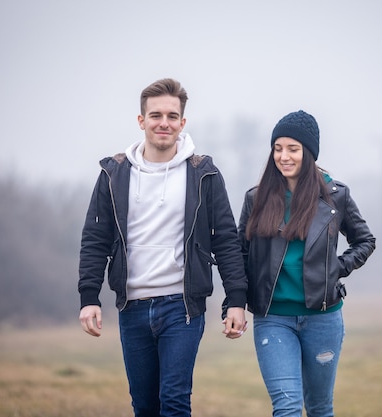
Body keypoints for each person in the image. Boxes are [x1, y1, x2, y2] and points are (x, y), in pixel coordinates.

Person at [78, 78, 248, 417]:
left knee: (173, 402)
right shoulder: (114, 174)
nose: (164, 123)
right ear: (141, 121)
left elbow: (226, 239)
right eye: (155, 115)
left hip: (182, 307)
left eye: (172, 116)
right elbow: (95, 240)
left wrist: (236, 301)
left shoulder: (203, 174)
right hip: (132, 307)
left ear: (182, 123)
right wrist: (89, 298)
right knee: (144, 406)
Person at [238, 110, 376, 417]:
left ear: (309, 153)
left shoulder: (335, 196)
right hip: (273, 318)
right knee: (287, 407)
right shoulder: (256, 198)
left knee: (319, 408)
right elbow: (240, 255)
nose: (283, 156)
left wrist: (336, 268)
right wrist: (233, 304)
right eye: (278, 148)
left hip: (323, 319)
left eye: (293, 149)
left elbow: (365, 241)